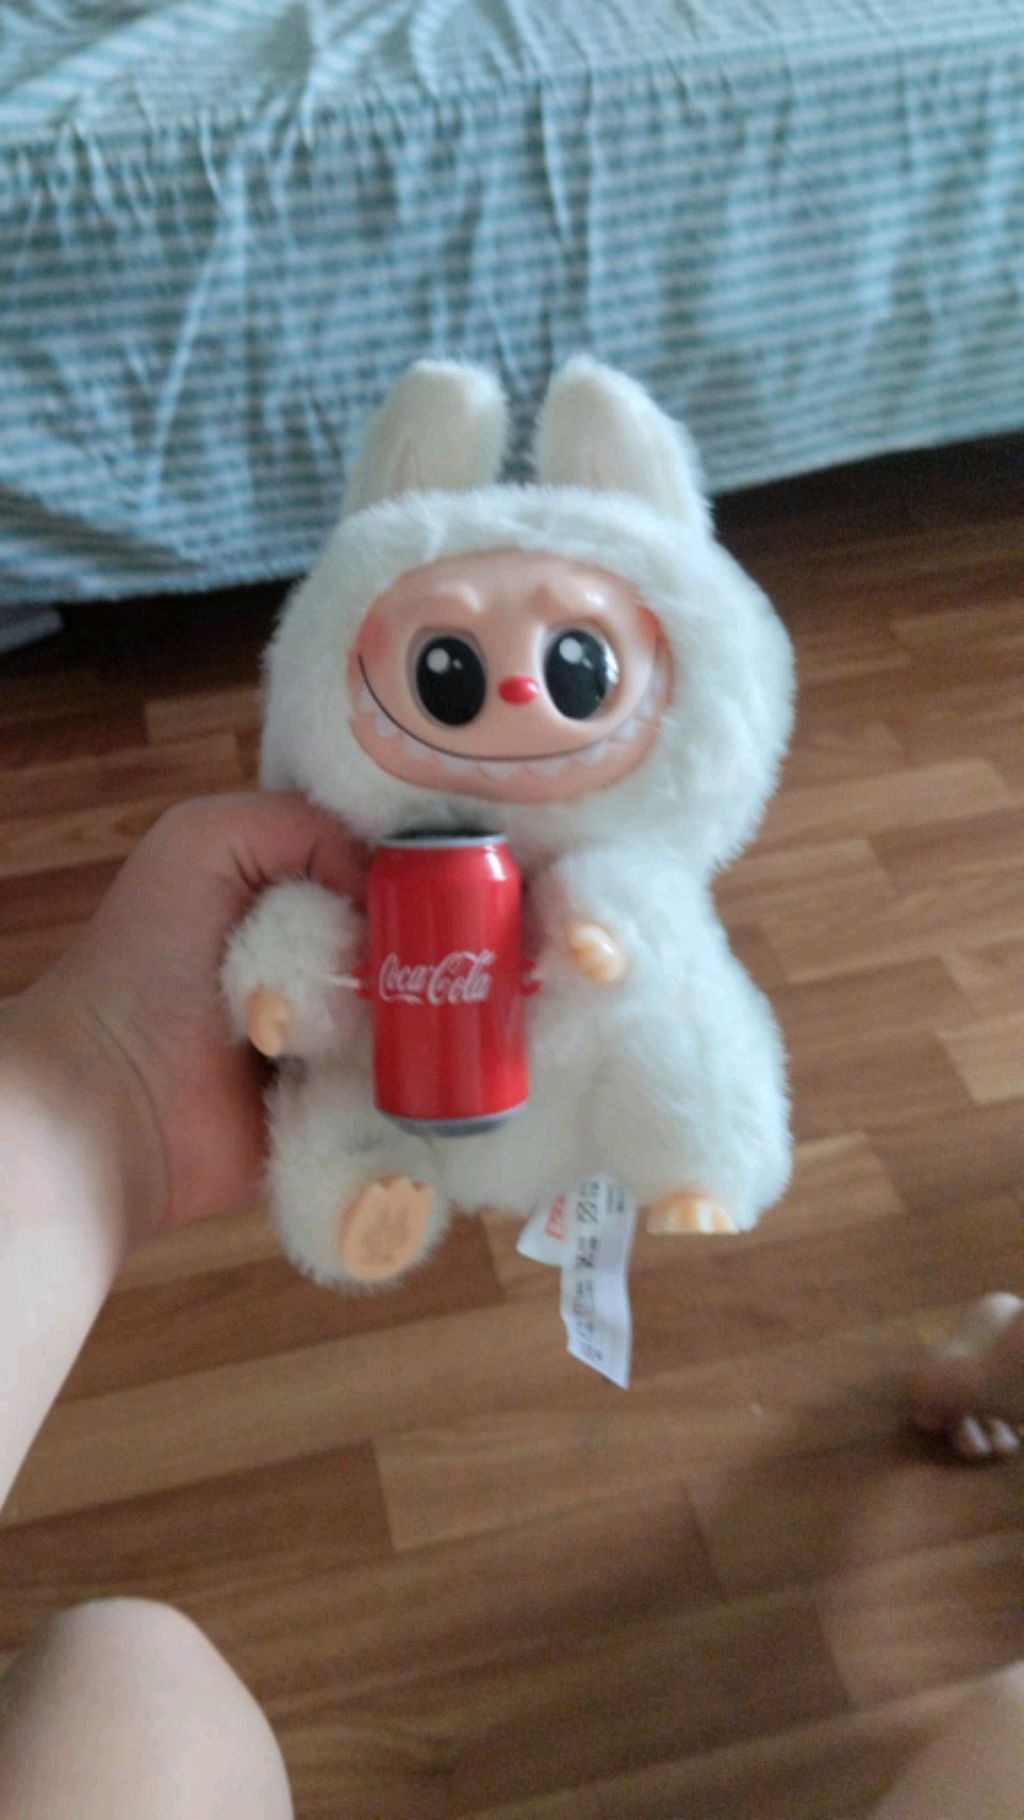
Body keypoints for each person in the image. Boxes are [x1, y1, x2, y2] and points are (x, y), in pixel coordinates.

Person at [0, 794, 1020, 1818]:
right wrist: (183, 1032)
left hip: (534, 1076)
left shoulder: (555, 874)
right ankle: (364, 1198)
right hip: (383, 1087)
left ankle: (694, 1159)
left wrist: (111, 1069)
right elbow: (318, 967)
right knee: (128, 1671)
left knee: (126, 1671)